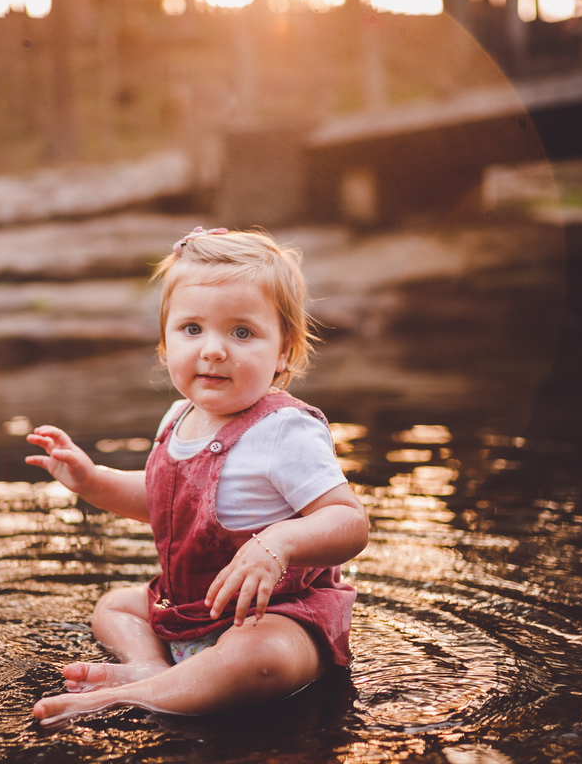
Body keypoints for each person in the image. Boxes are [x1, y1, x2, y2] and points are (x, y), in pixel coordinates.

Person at [25, 227, 369, 727]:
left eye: (242, 332)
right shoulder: (177, 418)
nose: (213, 350)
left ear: (284, 351)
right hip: (188, 611)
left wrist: (280, 543)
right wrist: (91, 480)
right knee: (114, 608)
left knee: (261, 659)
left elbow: (349, 521)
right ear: (164, 344)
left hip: (276, 616)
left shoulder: (283, 431)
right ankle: (149, 666)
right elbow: (164, 500)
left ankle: (132, 696)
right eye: (192, 329)